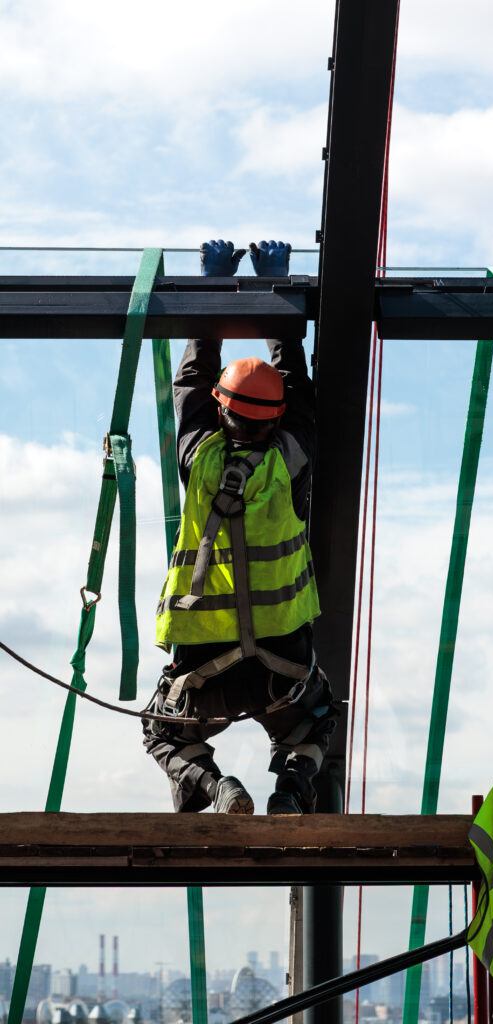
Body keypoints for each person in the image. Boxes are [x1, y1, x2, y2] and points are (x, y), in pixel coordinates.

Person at [142, 238, 336, 816]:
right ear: (276, 418)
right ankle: (291, 793)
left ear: (221, 409)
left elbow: (191, 383)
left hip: (205, 663)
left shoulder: (198, 459)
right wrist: (275, 291)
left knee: (162, 731)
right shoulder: (292, 460)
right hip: (283, 663)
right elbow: (297, 387)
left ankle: (215, 788)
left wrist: (214, 289)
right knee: (315, 725)